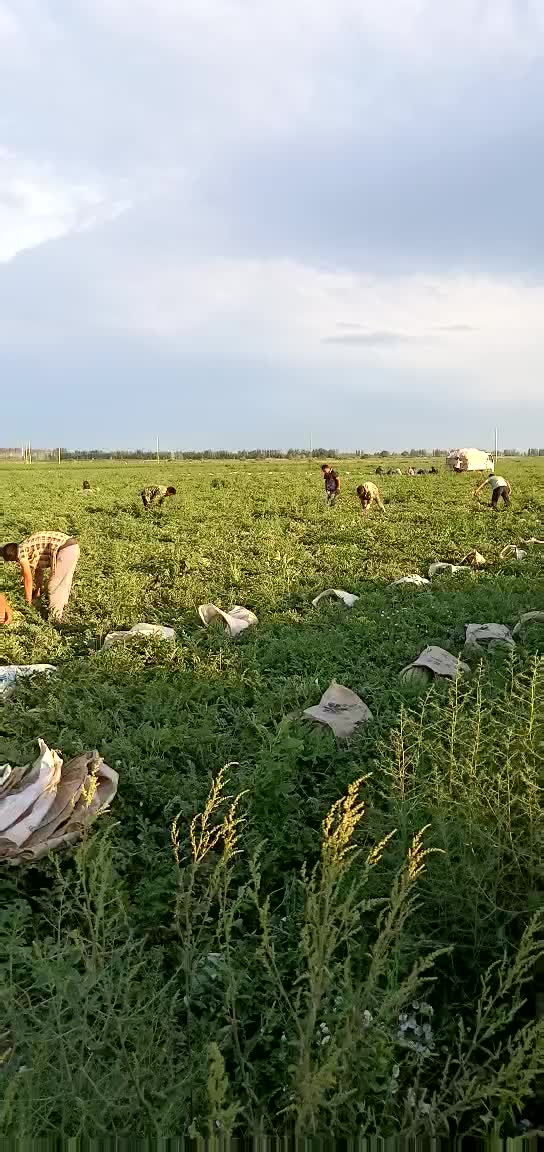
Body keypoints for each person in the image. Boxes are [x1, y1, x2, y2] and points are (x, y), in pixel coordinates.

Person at [1, 532, 80, 621]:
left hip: (66, 549)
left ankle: (55, 619)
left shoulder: (21, 553)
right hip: (71, 546)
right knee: (64, 581)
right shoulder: (26, 546)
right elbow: (39, 569)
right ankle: (62, 606)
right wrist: (38, 590)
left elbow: (28, 579)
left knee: (54, 585)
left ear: (14, 557)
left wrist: (28, 604)